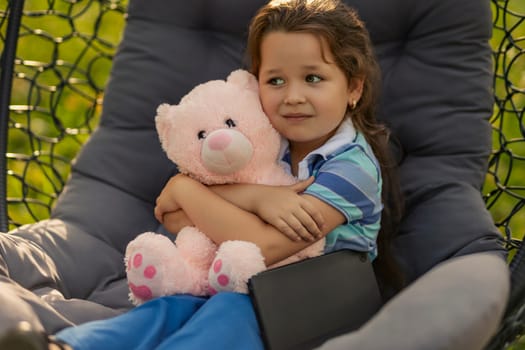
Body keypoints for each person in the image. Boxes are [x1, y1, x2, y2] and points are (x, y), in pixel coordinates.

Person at [0, 0, 509, 349]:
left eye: (314, 78)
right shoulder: (261, 142)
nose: (292, 95)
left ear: (353, 87)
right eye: (275, 79)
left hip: (308, 300)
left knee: (224, 320)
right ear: (255, 82)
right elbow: (176, 215)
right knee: (165, 311)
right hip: (235, 283)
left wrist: (189, 192)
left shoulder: (353, 168)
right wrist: (246, 196)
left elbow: (263, 248)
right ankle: (66, 344)